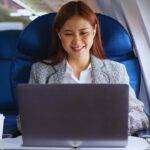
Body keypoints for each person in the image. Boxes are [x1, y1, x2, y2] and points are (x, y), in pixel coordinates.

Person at [17, 1, 149, 135]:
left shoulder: (116, 71)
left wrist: (109, 126)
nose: (77, 41)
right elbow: (23, 120)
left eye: (83, 33)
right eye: (68, 34)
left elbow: (139, 115)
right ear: (59, 34)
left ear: (94, 31)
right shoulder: (41, 71)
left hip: (102, 142)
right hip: (57, 142)